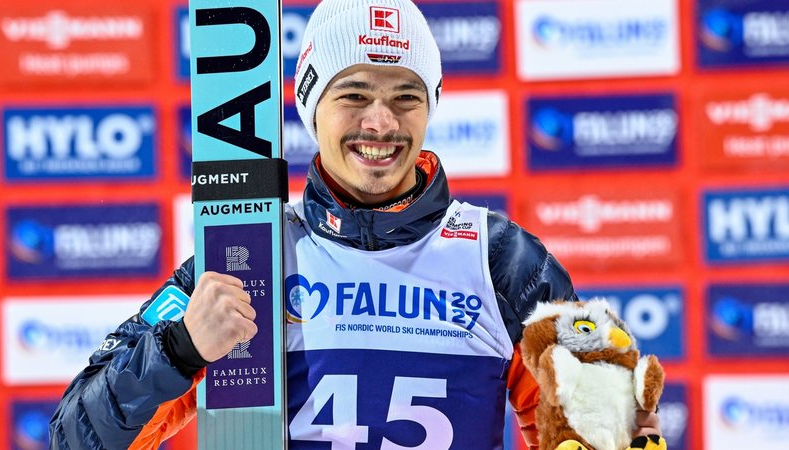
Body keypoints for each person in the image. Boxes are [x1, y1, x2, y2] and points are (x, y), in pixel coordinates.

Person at [49, 0, 660, 448]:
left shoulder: (506, 263)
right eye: (354, 94)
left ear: (431, 108)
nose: (380, 123)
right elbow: (75, 439)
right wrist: (179, 347)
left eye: (405, 96)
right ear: (312, 106)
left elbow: (590, 429)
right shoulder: (252, 256)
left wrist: (616, 425)